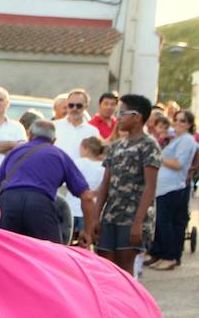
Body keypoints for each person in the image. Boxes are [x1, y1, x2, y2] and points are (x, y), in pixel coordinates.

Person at [0, 119, 95, 245]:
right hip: (40, 206)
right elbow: (87, 197)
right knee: (49, 253)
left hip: (8, 203)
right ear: (53, 140)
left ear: (30, 135)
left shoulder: (15, 152)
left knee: (3, 251)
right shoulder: (60, 156)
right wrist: (87, 232)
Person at [93, 94, 162, 276]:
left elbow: (150, 187)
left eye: (122, 113)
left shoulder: (149, 146)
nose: (118, 118)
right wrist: (96, 217)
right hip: (111, 215)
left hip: (132, 217)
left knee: (125, 268)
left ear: (136, 117)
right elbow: (105, 184)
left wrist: (138, 222)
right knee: (105, 266)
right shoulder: (116, 146)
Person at [146, 110, 197, 271]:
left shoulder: (187, 140)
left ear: (189, 124)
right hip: (163, 187)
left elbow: (179, 163)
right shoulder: (175, 138)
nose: (178, 123)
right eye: (176, 120)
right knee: (161, 222)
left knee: (165, 222)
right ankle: (160, 253)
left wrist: (158, 156)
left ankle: (169, 256)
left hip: (172, 186)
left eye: (182, 121)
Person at [64, 137, 106, 235]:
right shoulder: (104, 167)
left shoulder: (78, 162)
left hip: (72, 208)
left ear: (86, 149)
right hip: (91, 210)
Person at [54, 89, 100, 161]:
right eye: (71, 105)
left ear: (86, 107)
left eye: (79, 106)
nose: (74, 108)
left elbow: (94, 158)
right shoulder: (54, 126)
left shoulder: (92, 132)